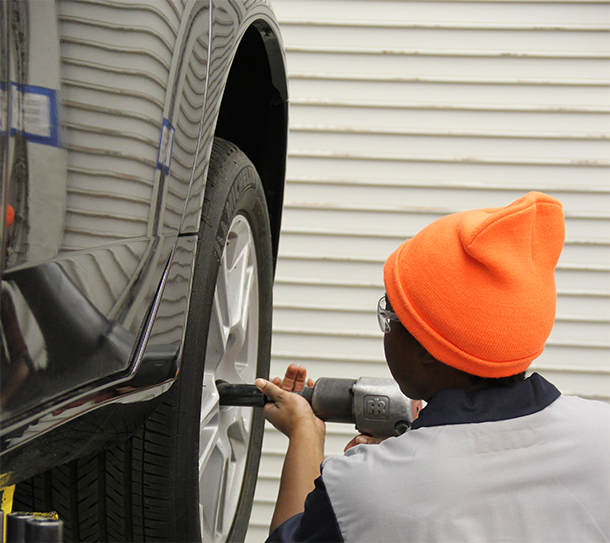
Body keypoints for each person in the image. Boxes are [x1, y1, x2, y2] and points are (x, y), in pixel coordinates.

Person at [256, 192, 610, 543]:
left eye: (389, 313)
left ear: (426, 346)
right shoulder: (601, 435)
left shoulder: (361, 491)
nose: (386, 326)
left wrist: (306, 433)